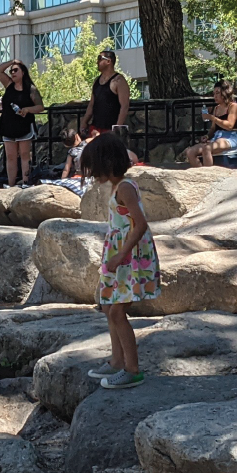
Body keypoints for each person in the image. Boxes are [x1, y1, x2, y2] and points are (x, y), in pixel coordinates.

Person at [82, 131, 158, 390]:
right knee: (107, 306)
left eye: (93, 167)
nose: (91, 173)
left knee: (117, 311)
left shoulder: (125, 187)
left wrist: (121, 254)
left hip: (128, 256)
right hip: (120, 254)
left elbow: (140, 224)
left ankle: (132, 369)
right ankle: (116, 360)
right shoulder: (118, 187)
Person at [0, 60, 44, 188]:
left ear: (23, 72)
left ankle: (26, 182)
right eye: (11, 71)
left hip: (24, 127)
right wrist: (12, 62)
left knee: (24, 155)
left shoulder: (30, 89)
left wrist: (27, 110)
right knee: (10, 157)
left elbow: (40, 107)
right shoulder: (9, 84)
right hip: (8, 126)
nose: (12, 72)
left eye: (16, 70)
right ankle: (11, 185)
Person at [185, 81, 237, 167]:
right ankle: (201, 174)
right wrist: (207, 136)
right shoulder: (216, 108)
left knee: (207, 148)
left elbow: (229, 126)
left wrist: (212, 118)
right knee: (190, 152)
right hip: (216, 137)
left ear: (224, 93)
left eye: (217, 93)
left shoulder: (233, 106)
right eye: (214, 93)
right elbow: (213, 129)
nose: (215, 96)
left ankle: (209, 174)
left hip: (229, 137)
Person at [88, 46, 131, 137]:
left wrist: (117, 128)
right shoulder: (96, 80)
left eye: (100, 58)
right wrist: (84, 122)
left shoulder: (119, 80)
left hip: (110, 128)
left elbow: (125, 105)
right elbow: (92, 104)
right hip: (95, 128)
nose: (97, 61)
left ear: (108, 61)